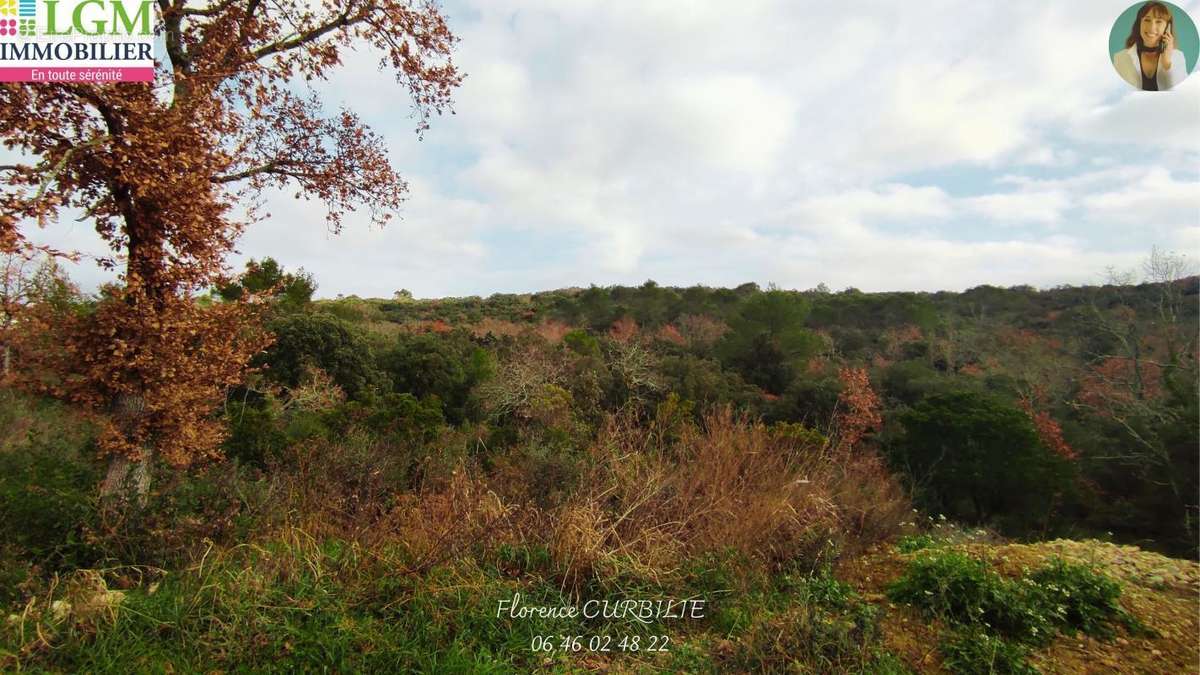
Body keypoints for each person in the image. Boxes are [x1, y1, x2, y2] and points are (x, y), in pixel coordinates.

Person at [1113, 2, 1187, 90]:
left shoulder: (1178, 57)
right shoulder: (1120, 58)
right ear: (1139, 24)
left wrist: (1167, 63)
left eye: (1159, 21)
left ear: (1167, 28)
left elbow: (1181, 93)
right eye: (1147, 20)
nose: (1152, 27)